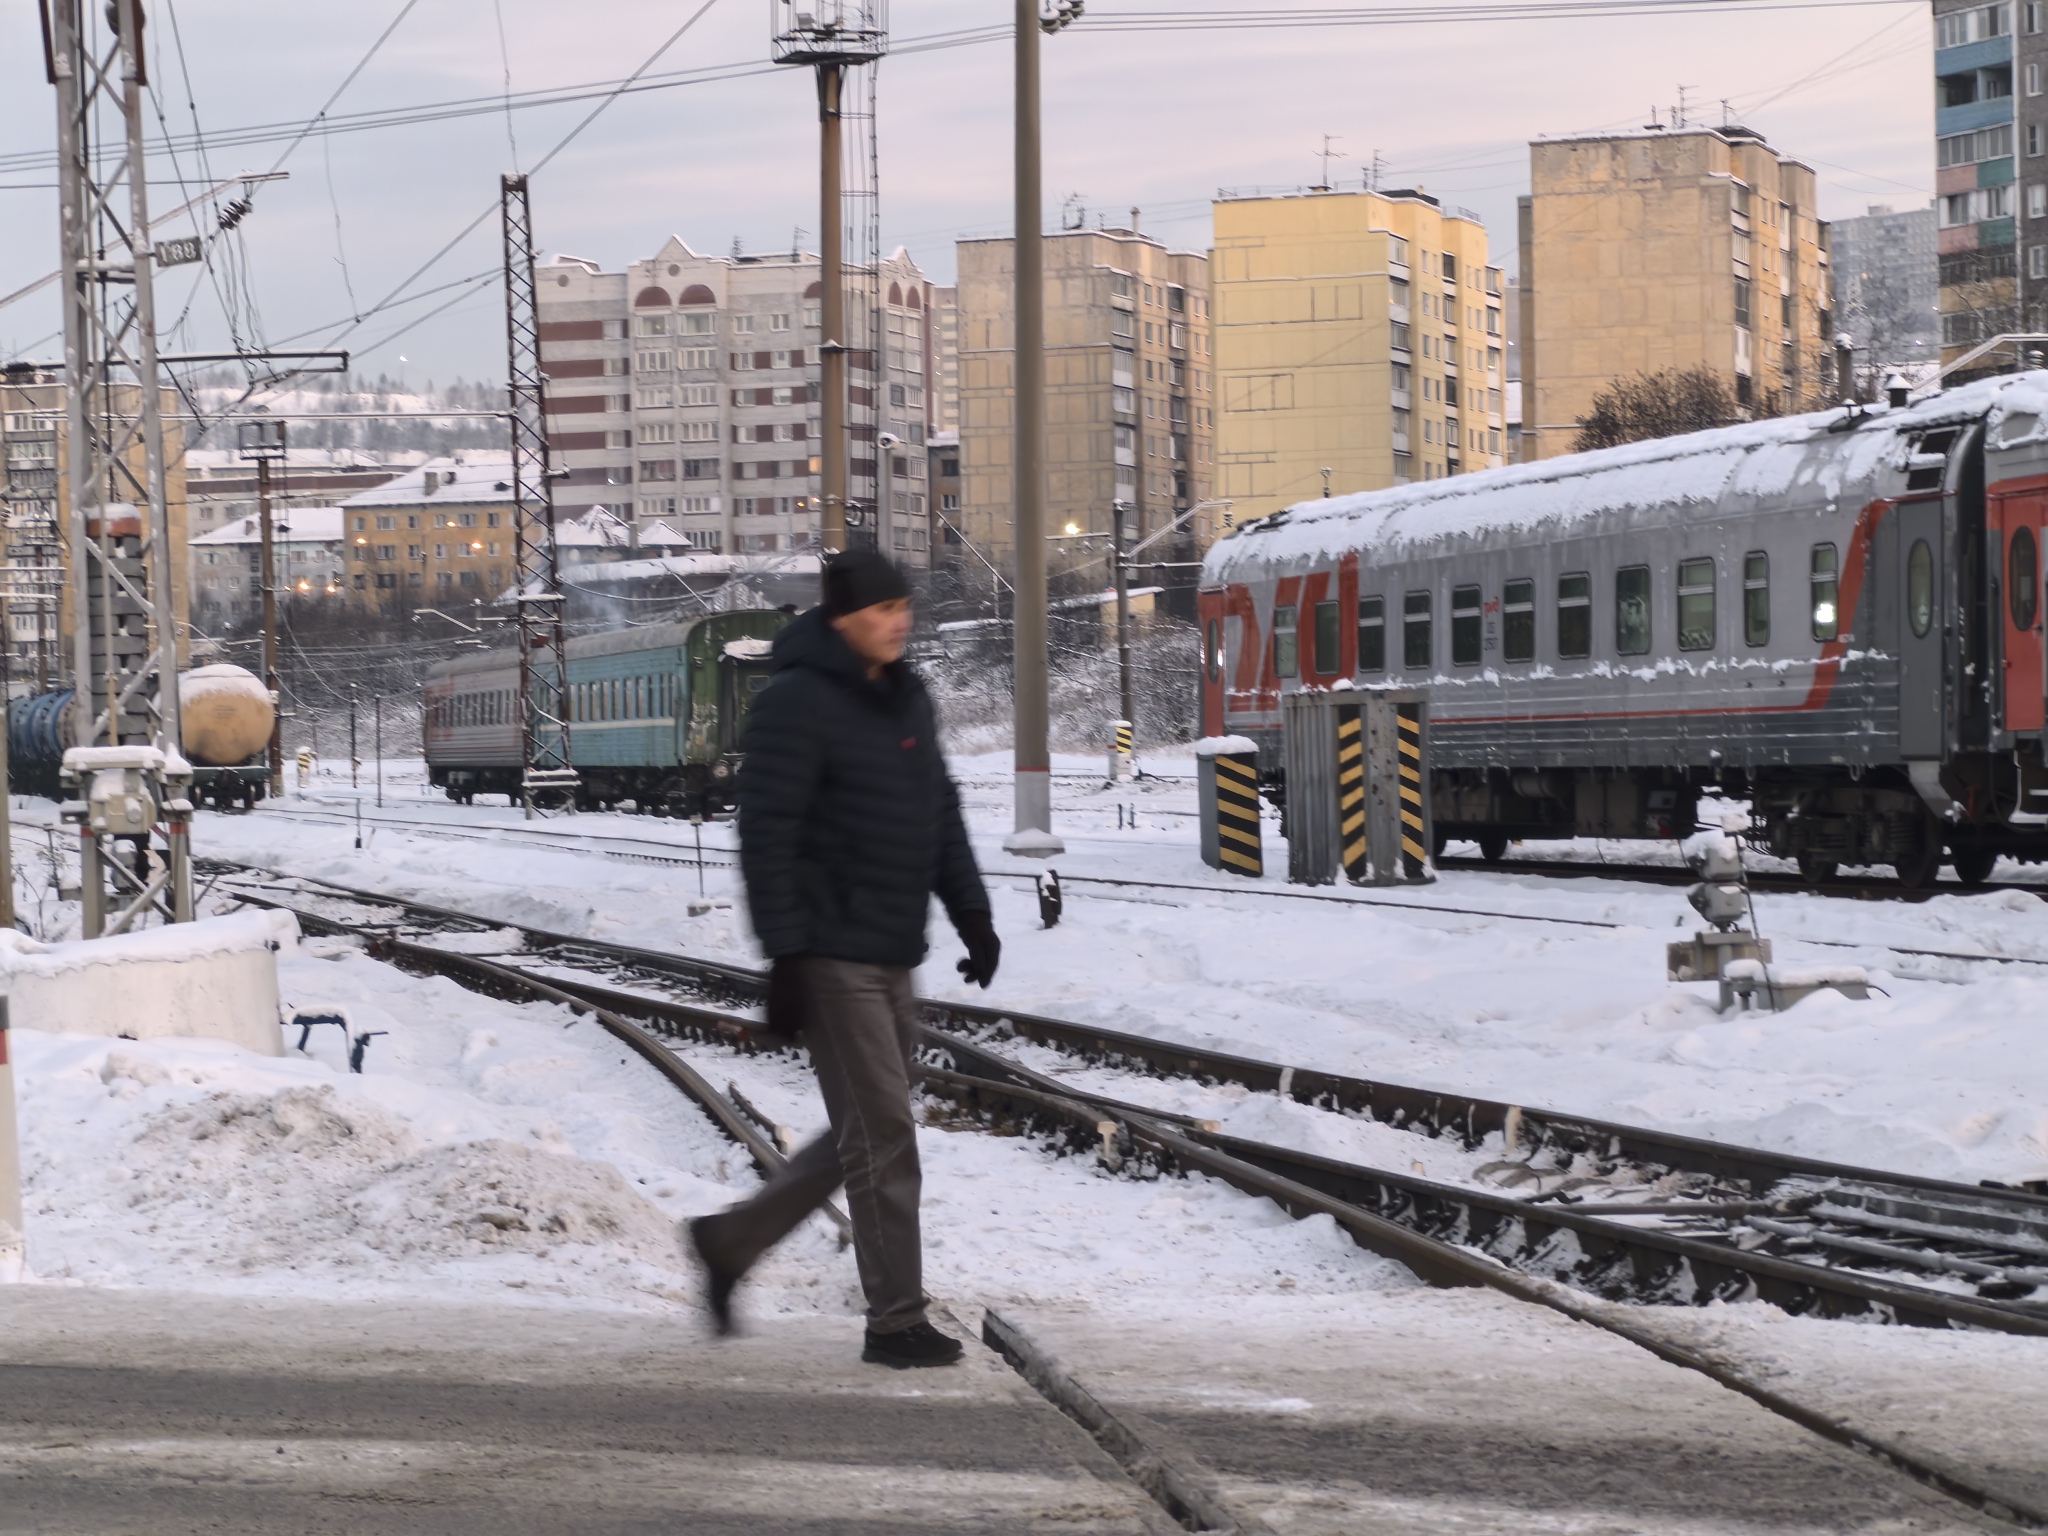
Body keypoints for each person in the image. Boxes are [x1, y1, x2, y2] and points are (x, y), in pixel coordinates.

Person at [688, 549, 1000, 1369]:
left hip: (892, 945)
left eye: (904, 605)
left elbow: (939, 808)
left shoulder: (905, 695)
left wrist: (972, 910)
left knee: (868, 1132)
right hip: (831, 952)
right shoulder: (797, 702)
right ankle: (895, 1320)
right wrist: (787, 955)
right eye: (881, 608)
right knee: (888, 1134)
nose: (898, 620)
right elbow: (766, 835)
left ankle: (730, 1241)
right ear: (840, 618)